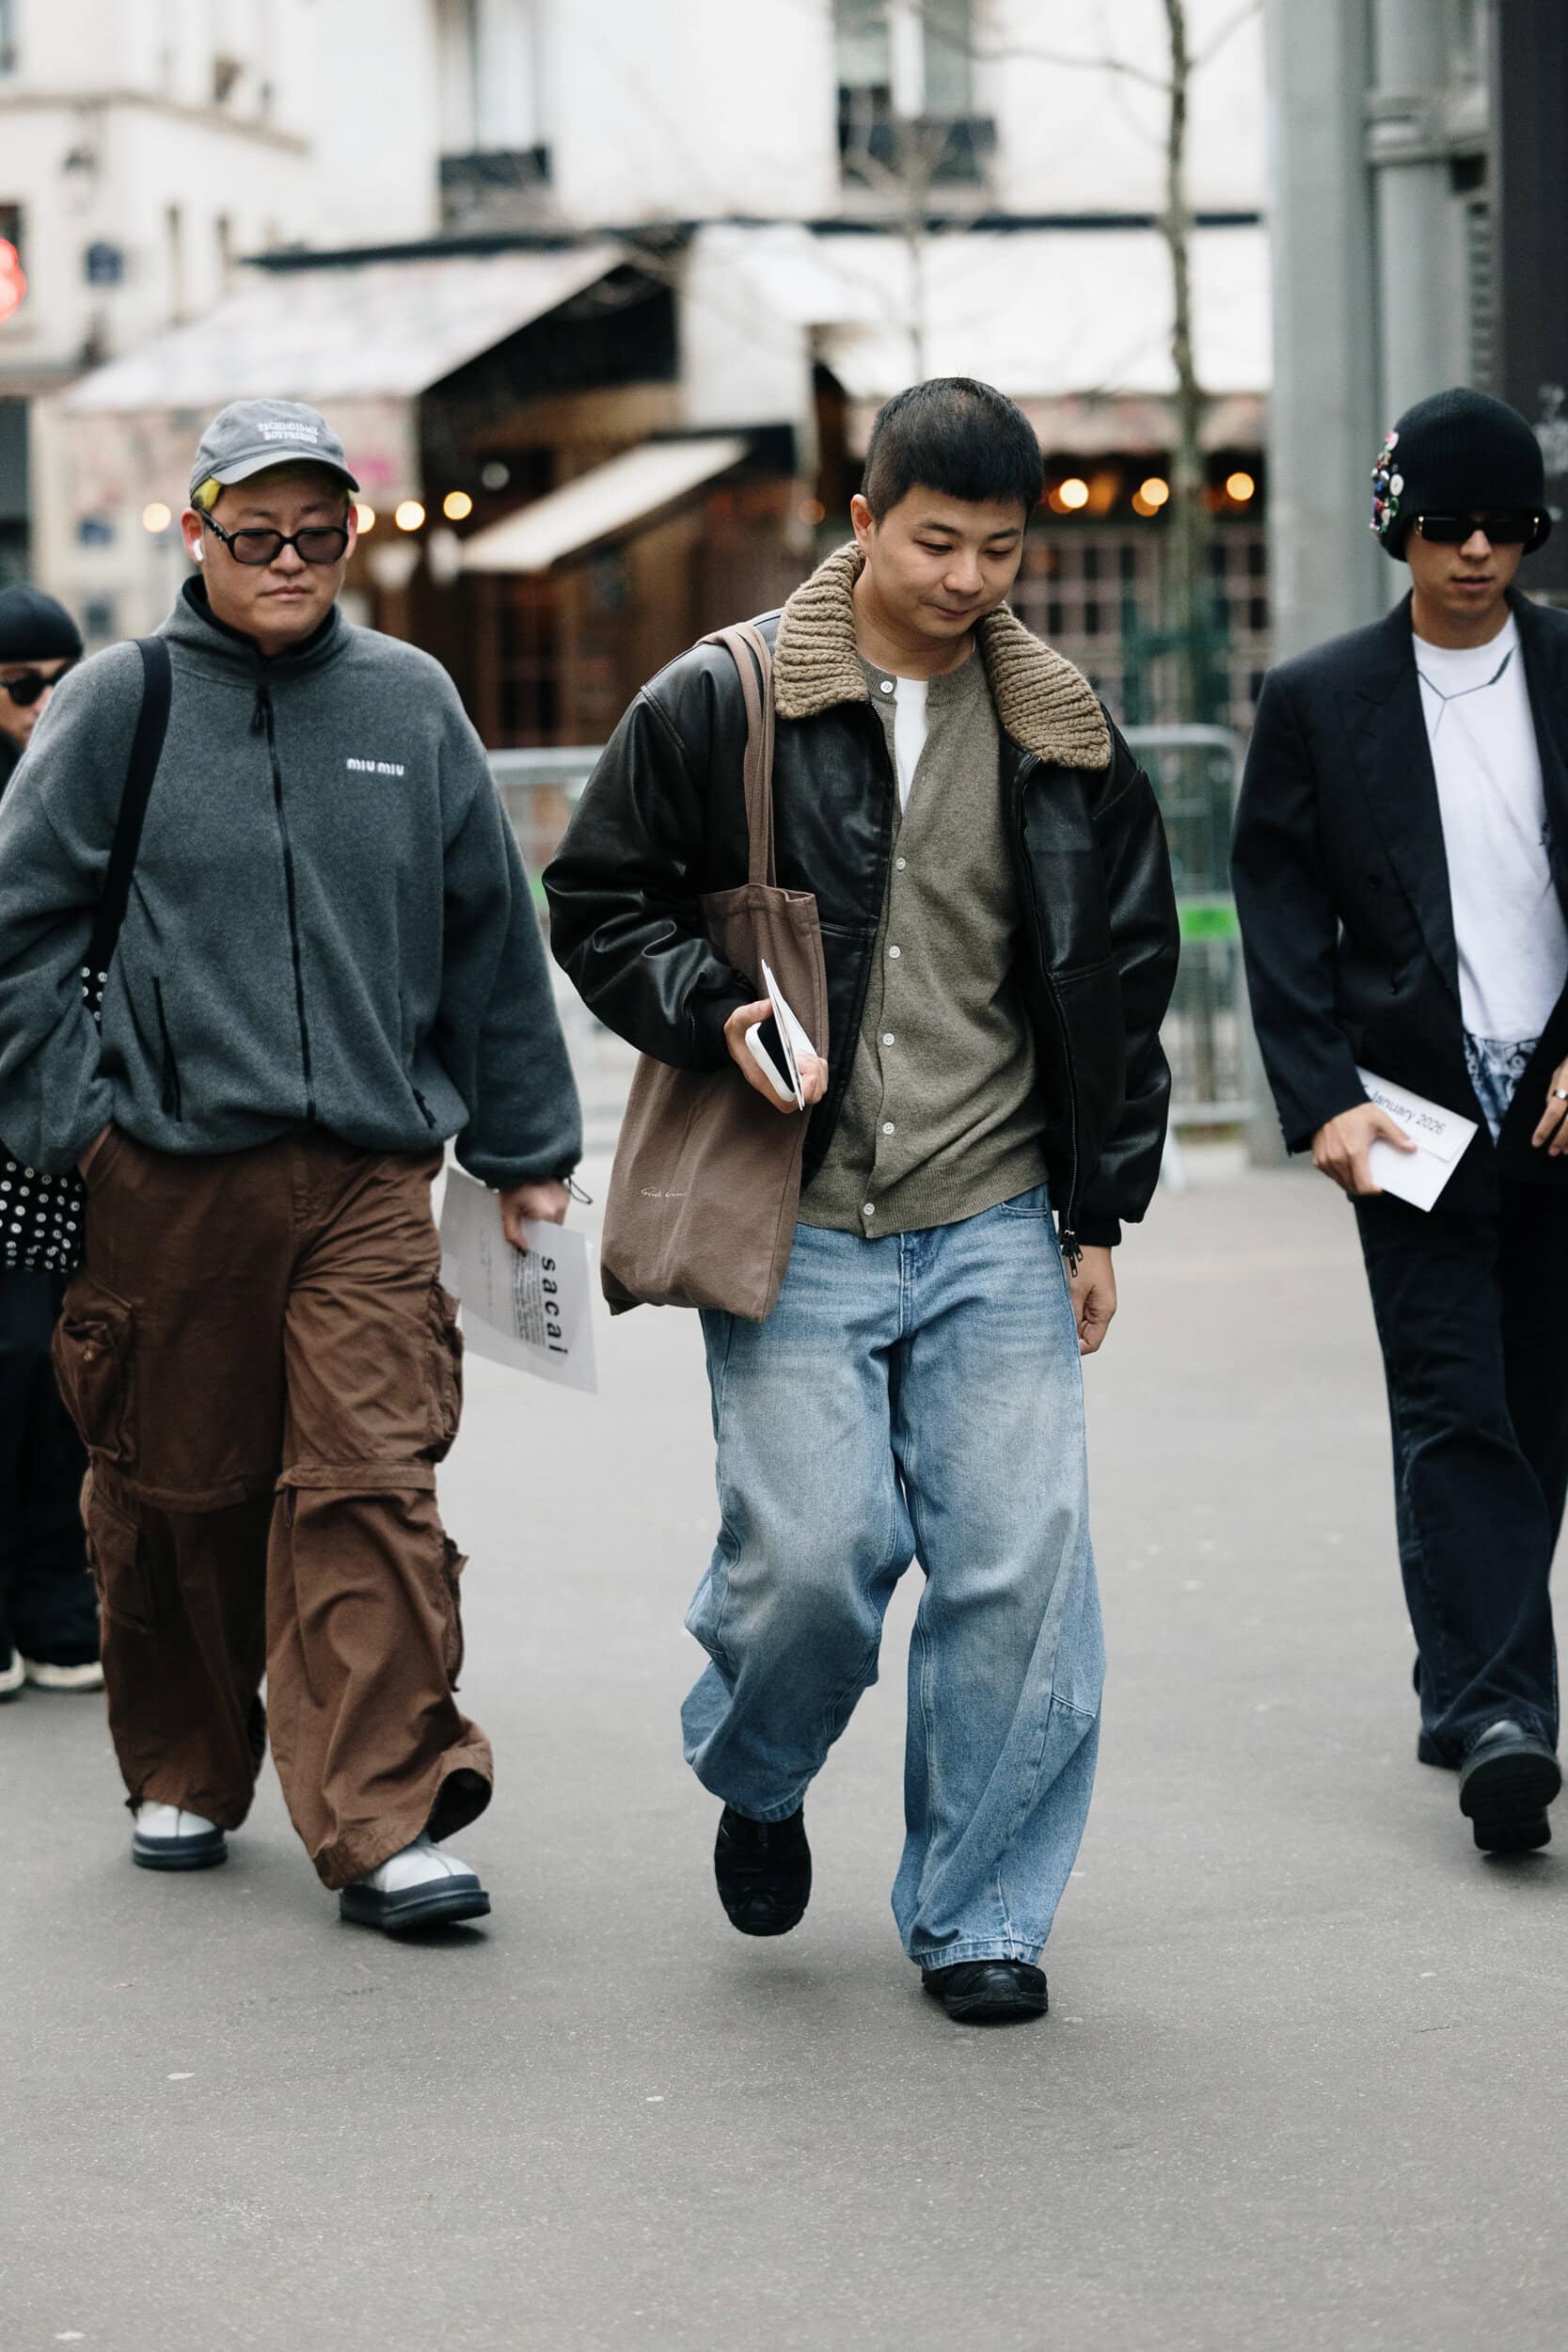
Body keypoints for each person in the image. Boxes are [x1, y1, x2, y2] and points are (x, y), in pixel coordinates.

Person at [546, 378, 1179, 2023]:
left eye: (998, 549)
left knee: (1020, 1570)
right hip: (798, 1213)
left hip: (993, 1209)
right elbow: (597, 899)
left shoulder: (1062, 729)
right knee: (813, 1565)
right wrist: (708, 1005)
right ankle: (758, 1768)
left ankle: (978, 1915)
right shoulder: (725, 697)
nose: (968, 578)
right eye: (936, 541)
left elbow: (1119, 975)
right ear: (861, 522)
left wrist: (1097, 1213)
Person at [0, 400, 580, 1931]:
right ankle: (186, 1755)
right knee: (177, 1493)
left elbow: (491, 938)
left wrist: (525, 1147)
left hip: (368, 1183)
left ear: (347, 533)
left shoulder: (408, 700)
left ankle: (384, 1810)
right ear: (196, 534)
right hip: (168, 1180)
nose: (287, 558)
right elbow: (18, 930)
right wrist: (80, 1122)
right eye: (253, 531)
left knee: (370, 1482)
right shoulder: (116, 706)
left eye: (316, 531)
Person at [1232, 386, 1568, 1856]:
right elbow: (1277, 910)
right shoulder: (1317, 699)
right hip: (1408, 1112)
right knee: (1452, 1400)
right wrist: (1323, 1105)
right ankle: (1507, 1717)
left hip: (1557, 1095)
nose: (1476, 552)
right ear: (1396, 527)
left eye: (1505, 527)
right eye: (1446, 525)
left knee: (1537, 1402)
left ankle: (1457, 1681)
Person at [0, 586, 102, 1701]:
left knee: (67, 1371)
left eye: (62, 680)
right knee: (14, 1365)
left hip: (66, 1121)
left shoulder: (92, 781)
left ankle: (60, 1600)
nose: (45, 703)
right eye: (22, 685)